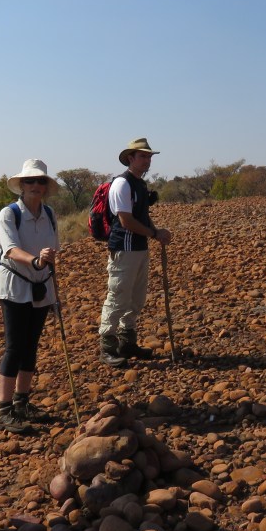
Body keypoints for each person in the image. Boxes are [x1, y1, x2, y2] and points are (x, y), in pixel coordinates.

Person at [0, 159, 60, 433]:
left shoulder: (50, 214)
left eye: (40, 181)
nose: (35, 185)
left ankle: (22, 403)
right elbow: (9, 249)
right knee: (15, 346)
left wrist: (54, 292)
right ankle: (4, 411)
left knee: (31, 344)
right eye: (30, 181)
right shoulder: (9, 214)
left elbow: (53, 252)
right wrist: (35, 261)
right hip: (15, 285)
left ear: (45, 186)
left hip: (41, 285)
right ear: (21, 185)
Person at [98, 138, 172, 367]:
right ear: (130, 158)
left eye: (149, 156)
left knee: (136, 298)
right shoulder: (122, 184)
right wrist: (153, 233)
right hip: (124, 247)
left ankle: (127, 342)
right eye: (143, 156)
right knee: (118, 296)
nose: (147, 160)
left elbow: (141, 215)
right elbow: (126, 221)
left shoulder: (139, 184)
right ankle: (107, 347)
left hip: (139, 248)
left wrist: (155, 230)